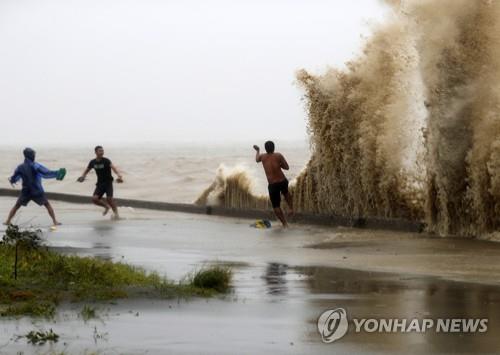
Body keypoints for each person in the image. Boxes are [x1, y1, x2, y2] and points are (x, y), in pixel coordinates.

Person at [4, 148, 64, 226]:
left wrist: (12, 180)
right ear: (30, 155)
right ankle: (55, 221)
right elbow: (46, 172)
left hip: (26, 191)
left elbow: (14, 177)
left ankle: (8, 221)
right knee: (47, 205)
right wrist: (57, 173)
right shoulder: (35, 165)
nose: (34, 156)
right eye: (33, 154)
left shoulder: (20, 167)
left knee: (16, 206)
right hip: (37, 190)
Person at [253, 141, 294, 227]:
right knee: (286, 193)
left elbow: (257, 160)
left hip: (272, 185)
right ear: (274, 147)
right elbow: (287, 167)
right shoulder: (278, 155)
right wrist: (279, 165)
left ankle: (285, 224)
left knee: (276, 206)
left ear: (265, 148)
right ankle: (291, 209)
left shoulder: (263, 157)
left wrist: (257, 150)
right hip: (282, 180)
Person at [77, 146, 123, 219]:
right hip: (100, 183)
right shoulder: (92, 162)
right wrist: (83, 176)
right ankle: (106, 207)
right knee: (94, 199)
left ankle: (117, 214)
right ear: (96, 152)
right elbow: (87, 170)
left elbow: (113, 168)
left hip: (108, 182)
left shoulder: (106, 160)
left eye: (102, 151)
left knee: (109, 199)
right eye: (100, 151)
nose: (102, 152)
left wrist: (118, 175)